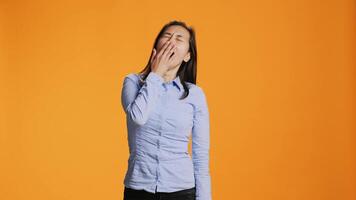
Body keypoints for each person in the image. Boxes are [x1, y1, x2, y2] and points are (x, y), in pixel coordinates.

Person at [121, 20, 211, 200]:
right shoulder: (133, 82)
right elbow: (138, 117)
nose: (171, 41)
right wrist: (157, 73)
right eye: (167, 36)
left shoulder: (195, 95)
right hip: (139, 190)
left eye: (179, 39)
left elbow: (200, 156)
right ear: (156, 47)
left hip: (181, 191)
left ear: (187, 55)